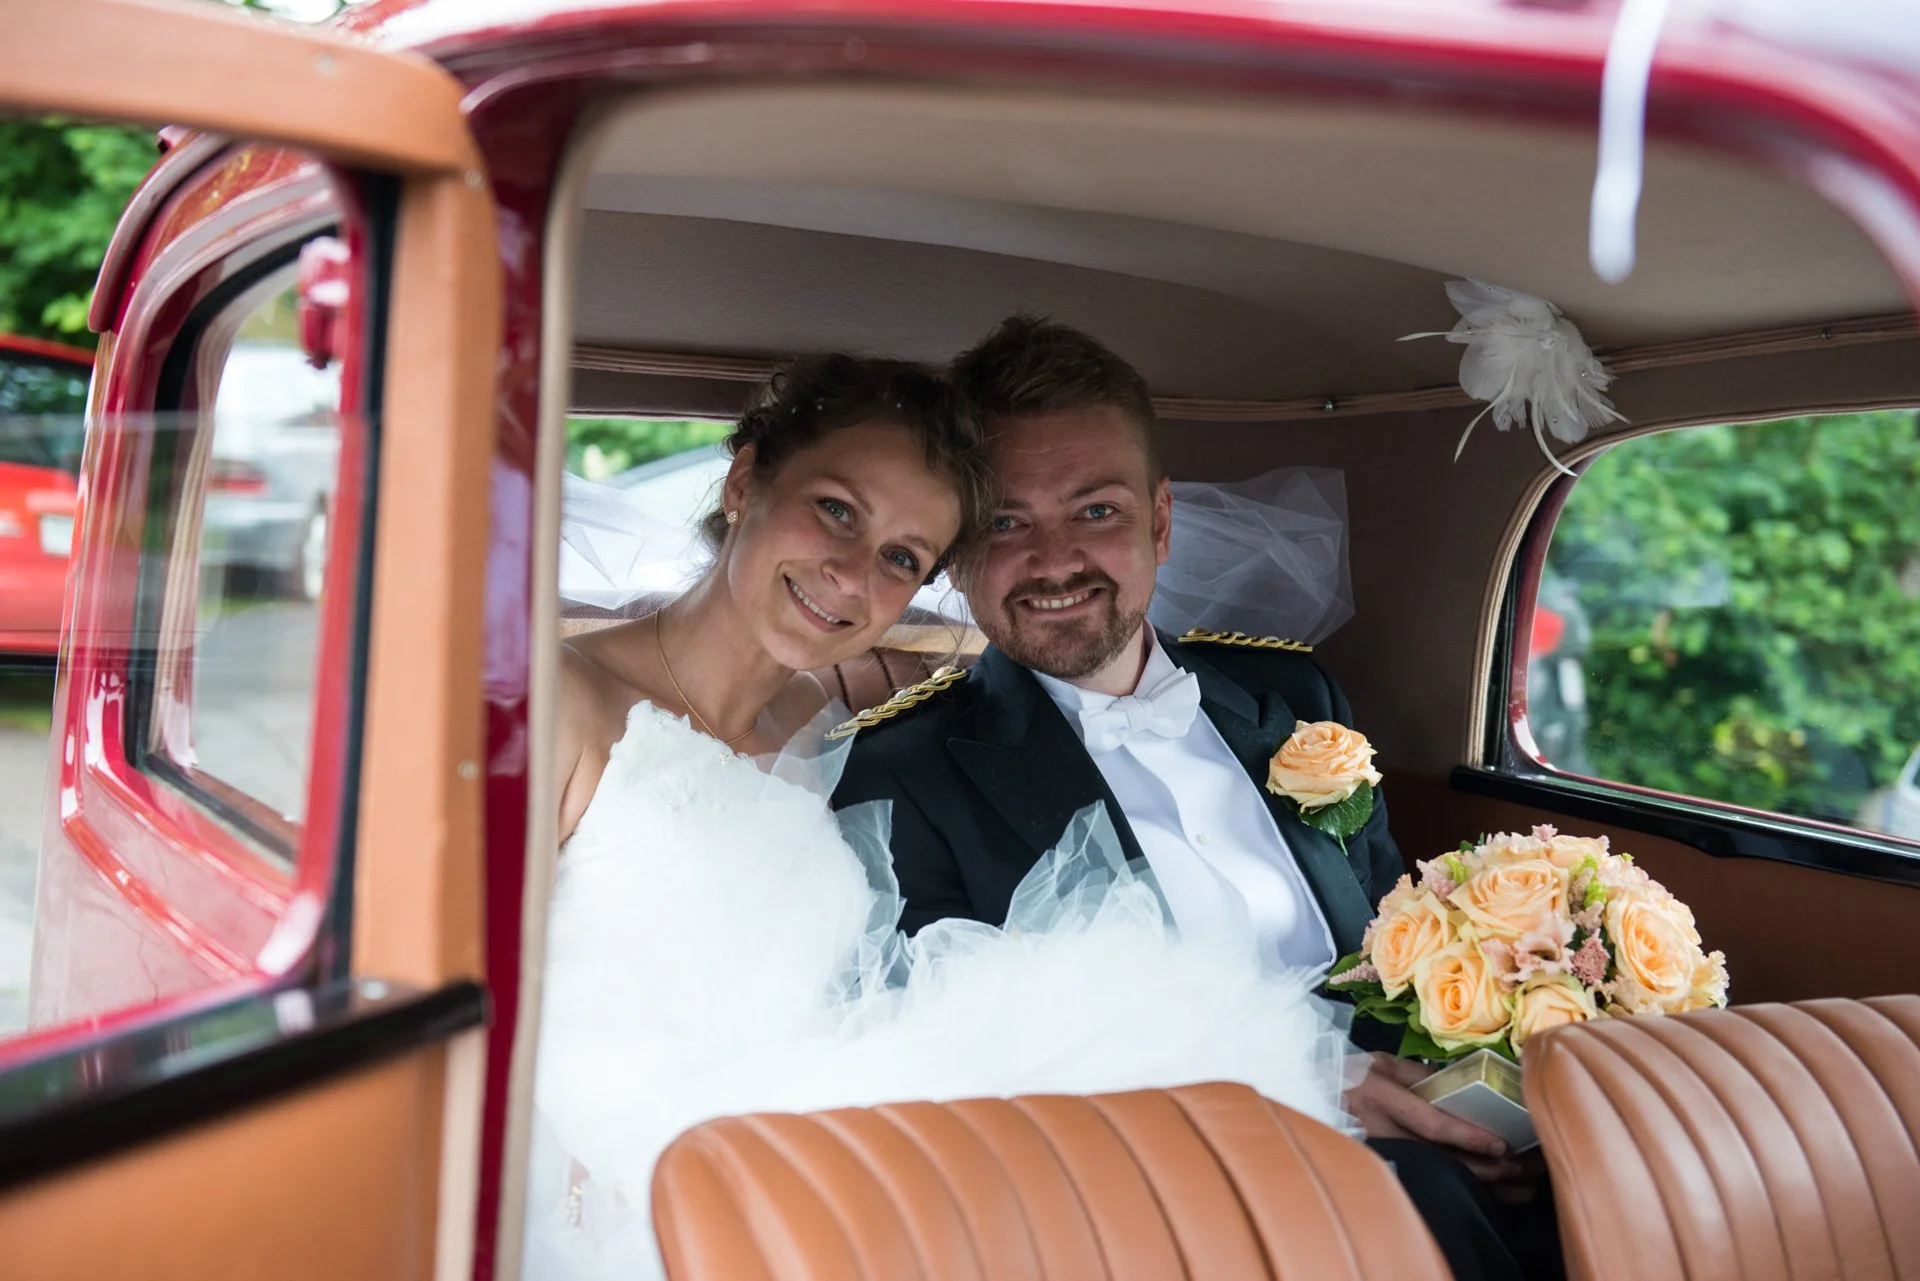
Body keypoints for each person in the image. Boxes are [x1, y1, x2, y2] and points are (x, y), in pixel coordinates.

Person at [529, 354, 1361, 1281]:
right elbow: (456, 1003)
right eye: (836, 510)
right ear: (745, 479)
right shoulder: (560, 701)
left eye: (901, 557)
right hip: (609, 1203)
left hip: (810, 1169)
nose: (850, 574)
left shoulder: (822, 729)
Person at [831, 316, 1563, 1281]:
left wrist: (1472, 1099)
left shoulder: (1295, 695)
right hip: (1155, 1185)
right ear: (957, 555)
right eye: (1005, 523)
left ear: (1161, 522)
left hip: (1402, 1134)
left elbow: (1397, 951)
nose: (1055, 561)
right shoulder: (899, 773)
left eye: (1096, 511)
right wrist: (1309, 1089)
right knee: (1416, 1194)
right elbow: (962, 1068)